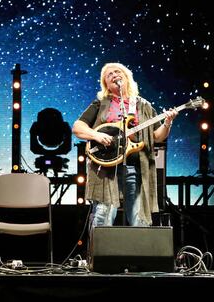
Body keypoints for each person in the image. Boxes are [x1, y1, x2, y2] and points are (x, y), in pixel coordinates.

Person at [72, 62, 177, 229]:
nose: (114, 75)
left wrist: (168, 122)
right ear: (106, 83)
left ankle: (138, 253)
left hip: (135, 167)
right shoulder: (101, 103)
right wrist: (97, 135)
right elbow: (78, 127)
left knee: (138, 215)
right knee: (103, 213)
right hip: (105, 168)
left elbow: (157, 137)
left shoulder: (143, 105)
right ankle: (101, 253)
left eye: (117, 72)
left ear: (126, 77)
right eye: (109, 75)